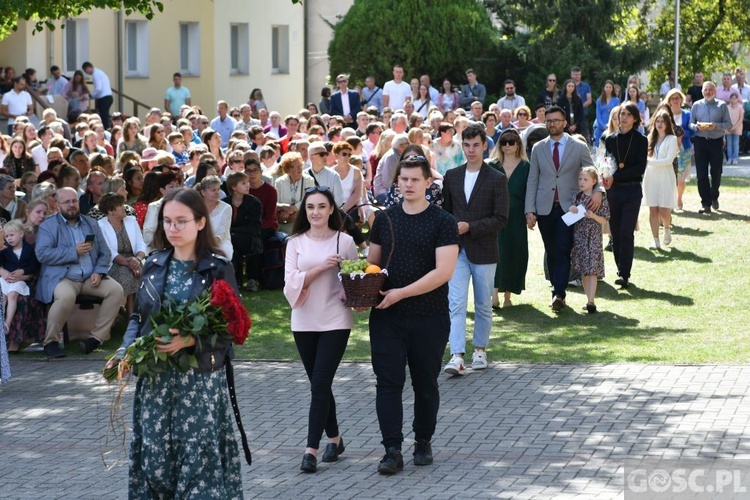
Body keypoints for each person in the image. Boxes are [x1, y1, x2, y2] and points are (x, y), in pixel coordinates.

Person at [107, 187, 245, 497]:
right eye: (167, 221)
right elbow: (137, 319)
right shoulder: (154, 265)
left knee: (198, 464)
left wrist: (191, 340)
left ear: (200, 222)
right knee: (155, 464)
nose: (173, 228)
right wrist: (125, 351)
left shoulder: (218, 268)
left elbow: (232, 329)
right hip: (155, 384)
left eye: (181, 221)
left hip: (199, 385)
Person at [367, 154, 458, 474]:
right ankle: (391, 450)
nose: (407, 184)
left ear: (428, 182)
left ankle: (423, 442)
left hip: (429, 316)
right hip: (386, 317)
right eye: (402, 179)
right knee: (387, 383)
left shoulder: (443, 222)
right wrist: (357, 285)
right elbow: (372, 266)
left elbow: (443, 272)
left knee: (425, 383)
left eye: (414, 179)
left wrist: (401, 293)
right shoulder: (384, 219)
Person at [283, 186, 358, 473]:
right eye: (311, 206)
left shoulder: (345, 241)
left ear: (331, 210)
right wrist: (321, 268)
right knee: (320, 385)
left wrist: (347, 293)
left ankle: (310, 450)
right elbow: (290, 282)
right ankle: (336, 440)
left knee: (320, 383)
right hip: (303, 320)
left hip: (335, 319)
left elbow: (355, 276)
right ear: (305, 210)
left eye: (322, 206)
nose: (316, 212)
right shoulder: (295, 242)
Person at [441, 124, 508, 376]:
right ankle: (456, 355)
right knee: (455, 304)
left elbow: (501, 218)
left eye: (476, 145)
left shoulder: (497, 178)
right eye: (467, 145)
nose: (471, 150)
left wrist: (470, 227)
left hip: (484, 249)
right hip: (456, 251)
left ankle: (480, 350)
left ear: (485, 145)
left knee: (482, 304)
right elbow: (446, 214)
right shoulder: (452, 176)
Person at [525, 106, 600, 311]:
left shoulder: (578, 147)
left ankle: (559, 294)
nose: (552, 124)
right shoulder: (539, 148)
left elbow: (593, 172)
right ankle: (557, 289)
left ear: (565, 123)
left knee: (563, 248)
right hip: (544, 207)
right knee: (551, 250)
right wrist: (529, 209)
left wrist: (598, 191)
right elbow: (533, 179)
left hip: (570, 208)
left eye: (556, 120)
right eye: (549, 121)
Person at [36, 187, 124, 358]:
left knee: (116, 290)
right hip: (64, 277)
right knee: (66, 296)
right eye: (67, 202)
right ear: (58, 204)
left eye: (74, 201)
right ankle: (51, 342)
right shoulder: (49, 225)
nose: (71, 205)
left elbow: (104, 253)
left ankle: (96, 339)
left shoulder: (90, 223)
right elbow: (42, 253)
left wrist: (99, 271)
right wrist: (73, 251)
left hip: (90, 278)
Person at [602, 103, 648, 288]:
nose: (624, 117)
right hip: (614, 191)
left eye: (628, 114)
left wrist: (615, 176)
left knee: (626, 232)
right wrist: (604, 174)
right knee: (615, 232)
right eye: (622, 114)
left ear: (635, 118)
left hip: (632, 190)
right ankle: (620, 267)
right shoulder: (610, 139)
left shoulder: (641, 140)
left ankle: (624, 273)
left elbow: (639, 168)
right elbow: (607, 161)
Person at [487, 129, 530, 308]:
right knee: (496, 253)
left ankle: (507, 297)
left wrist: (530, 213)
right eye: (504, 141)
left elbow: (531, 192)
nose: (507, 145)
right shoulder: (491, 165)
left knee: (515, 253)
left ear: (518, 144)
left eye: (511, 142)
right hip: (495, 215)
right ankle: (494, 295)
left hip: (517, 216)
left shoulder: (527, 166)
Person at [97, 192, 146, 319]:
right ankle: (132, 317)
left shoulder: (131, 221)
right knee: (129, 274)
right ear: (110, 211)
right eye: (120, 205)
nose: (124, 207)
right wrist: (129, 263)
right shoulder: (100, 225)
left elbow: (141, 244)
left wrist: (138, 259)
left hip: (135, 260)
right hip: (114, 263)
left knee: (145, 273)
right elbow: (108, 251)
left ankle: (132, 315)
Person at [568, 167, 610, 313]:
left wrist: (593, 216)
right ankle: (588, 299)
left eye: (585, 179)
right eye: (580, 179)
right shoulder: (577, 197)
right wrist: (571, 209)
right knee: (584, 270)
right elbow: (570, 217)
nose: (582, 182)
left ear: (594, 181)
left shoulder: (600, 199)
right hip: (580, 237)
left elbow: (604, 219)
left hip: (594, 237)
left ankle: (591, 300)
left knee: (592, 269)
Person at [689, 81, 731, 214]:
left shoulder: (722, 105)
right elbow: (690, 123)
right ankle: (705, 203)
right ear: (702, 91)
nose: (708, 92)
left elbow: (728, 124)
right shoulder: (696, 105)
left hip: (716, 142)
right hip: (700, 142)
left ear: (715, 91)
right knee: (701, 174)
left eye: (710, 90)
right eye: (705, 90)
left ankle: (714, 196)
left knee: (716, 172)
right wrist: (696, 127)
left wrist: (716, 126)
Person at [643, 110, 679, 249]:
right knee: (653, 209)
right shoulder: (649, 138)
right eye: (657, 121)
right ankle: (655, 239)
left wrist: (648, 162)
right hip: (651, 176)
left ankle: (667, 228)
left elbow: (668, 160)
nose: (659, 124)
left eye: (662, 122)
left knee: (664, 209)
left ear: (667, 124)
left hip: (665, 176)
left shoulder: (672, 139)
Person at [0, 220, 38, 333]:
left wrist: (23, 271)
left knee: (12, 295)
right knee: (2, 296)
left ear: (21, 234)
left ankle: (7, 323)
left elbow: (33, 266)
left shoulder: (29, 249)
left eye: (12, 235)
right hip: (6, 279)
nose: (9, 238)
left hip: (19, 281)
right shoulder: (5, 250)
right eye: (6, 236)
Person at [664, 89, 694, 210]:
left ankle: (679, 199)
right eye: (673, 98)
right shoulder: (665, 114)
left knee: (681, 178)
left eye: (678, 98)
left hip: (683, 149)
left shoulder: (687, 114)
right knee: (669, 177)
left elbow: (693, 131)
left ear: (681, 99)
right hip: (667, 149)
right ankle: (670, 201)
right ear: (669, 100)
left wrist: (680, 131)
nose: (675, 100)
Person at [198, 176, 233, 259]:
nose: (217, 193)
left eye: (218, 189)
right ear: (203, 192)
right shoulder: (197, 208)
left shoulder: (227, 208)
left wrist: (207, 248)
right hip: (200, 242)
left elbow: (221, 233)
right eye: (213, 190)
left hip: (221, 244)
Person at [81, 62, 113, 128]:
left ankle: (105, 129)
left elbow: (98, 88)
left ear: (88, 68)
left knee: (103, 116)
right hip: (107, 96)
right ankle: (106, 128)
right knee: (104, 115)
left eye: (85, 70)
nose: (86, 73)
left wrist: (90, 95)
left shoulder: (96, 74)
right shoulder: (99, 72)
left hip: (104, 98)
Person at [594, 80, 620, 147]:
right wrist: (603, 126)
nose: (608, 89)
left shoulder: (616, 100)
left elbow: (617, 113)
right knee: (600, 146)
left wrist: (611, 125)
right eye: (607, 87)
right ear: (604, 88)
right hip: (601, 126)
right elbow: (598, 115)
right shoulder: (599, 100)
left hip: (613, 125)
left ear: (612, 88)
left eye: (610, 87)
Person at [571, 66, 593, 142]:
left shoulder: (585, 86)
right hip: (571, 114)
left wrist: (579, 107)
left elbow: (589, 100)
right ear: (572, 75)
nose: (577, 76)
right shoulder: (569, 86)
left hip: (583, 114)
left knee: (584, 134)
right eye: (575, 74)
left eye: (579, 74)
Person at [726, 93, 744, 165]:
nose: (733, 100)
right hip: (728, 128)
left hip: (737, 128)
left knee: (735, 144)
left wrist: (734, 127)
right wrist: (729, 127)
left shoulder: (740, 108)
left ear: (737, 99)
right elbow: (725, 118)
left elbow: (741, 119)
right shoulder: (727, 107)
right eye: (732, 98)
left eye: (735, 98)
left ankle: (735, 158)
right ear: (730, 99)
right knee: (729, 144)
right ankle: (730, 158)